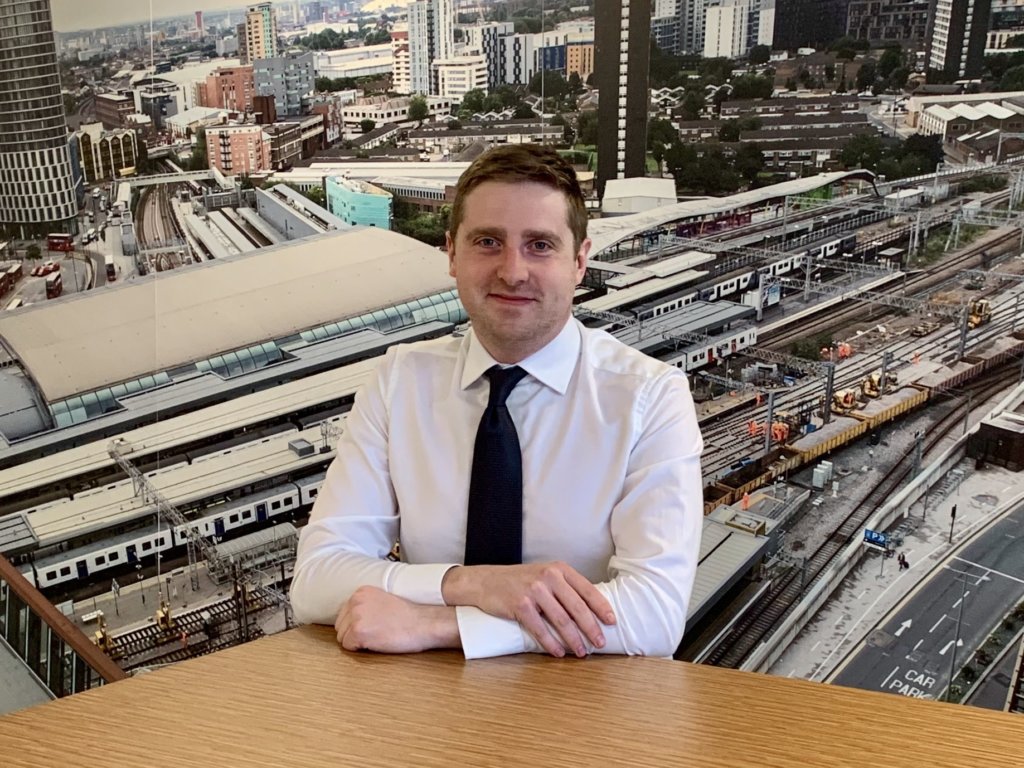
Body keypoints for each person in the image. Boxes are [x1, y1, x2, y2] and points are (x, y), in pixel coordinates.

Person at [289, 144, 704, 660]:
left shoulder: (650, 397)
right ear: (451, 255)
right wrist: (471, 585)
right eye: (488, 242)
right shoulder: (400, 382)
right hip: (421, 707)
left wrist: (441, 624)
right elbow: (315, 580)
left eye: (540, 245)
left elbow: (654, 616)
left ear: (579, 261)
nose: (512, 271)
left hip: (584, 713)